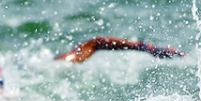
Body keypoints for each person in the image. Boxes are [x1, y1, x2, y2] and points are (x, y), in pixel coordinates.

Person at [54, 37, 185, 63]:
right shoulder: (62, 62)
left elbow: (95, 43)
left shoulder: (59, 63)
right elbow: (95, 43)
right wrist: (145, 48)